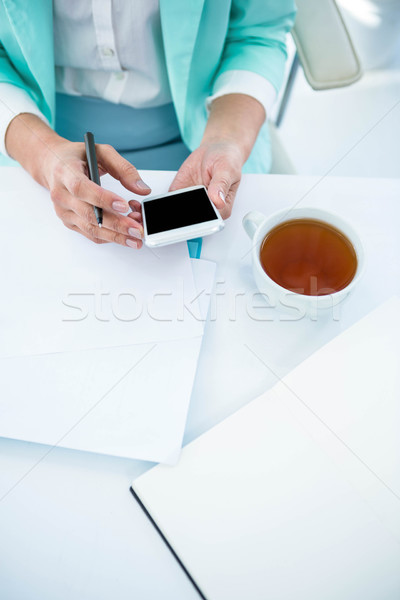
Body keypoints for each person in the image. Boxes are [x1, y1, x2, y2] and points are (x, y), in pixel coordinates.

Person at [0, 1, 296, 250]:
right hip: (33, 131)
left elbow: (257, 33)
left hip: (208, 124)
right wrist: (41, 153)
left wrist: (226, 138)